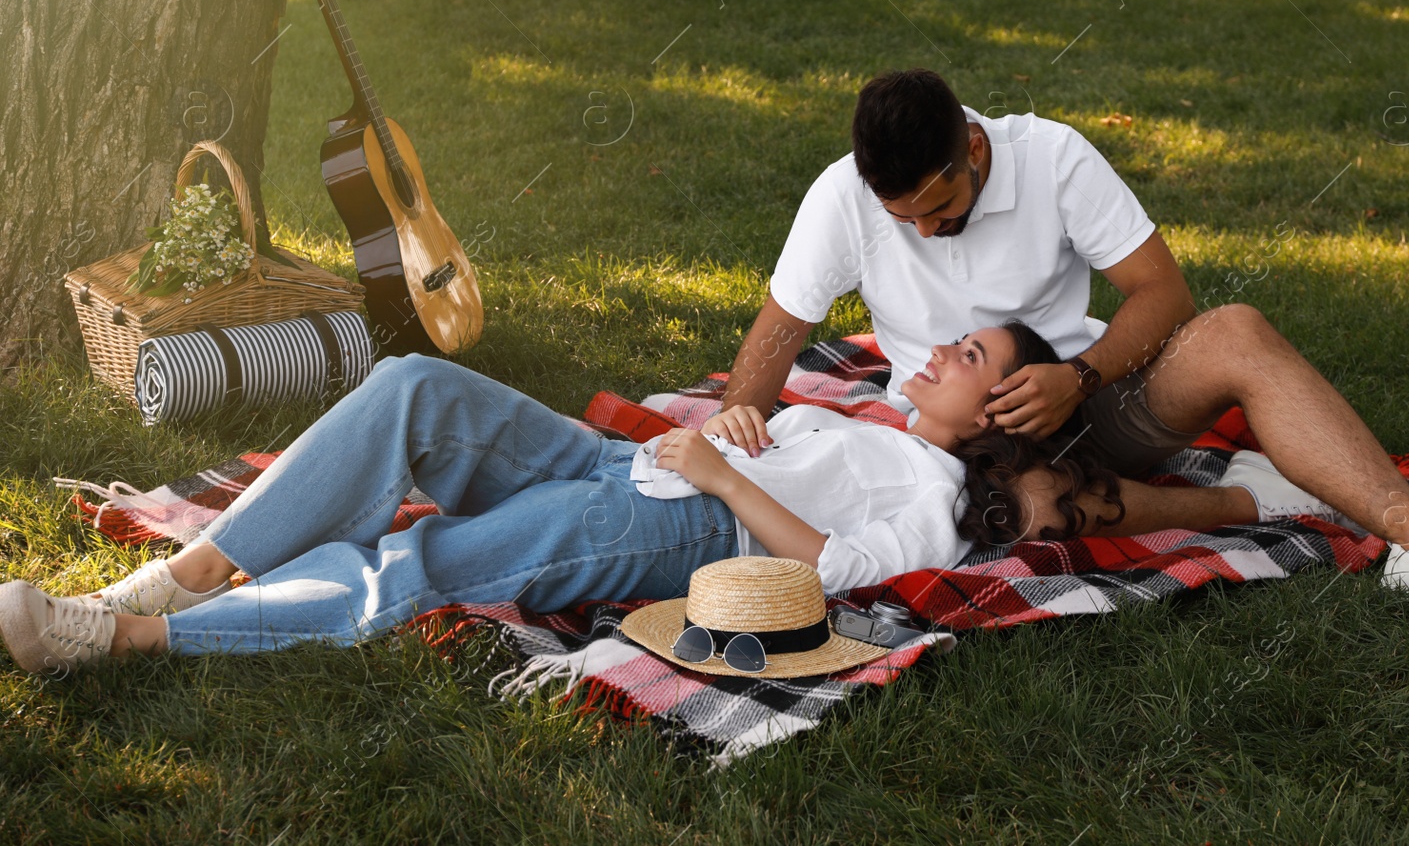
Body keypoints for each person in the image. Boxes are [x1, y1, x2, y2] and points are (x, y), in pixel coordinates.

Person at [718, 68, 1409, 623]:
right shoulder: (844, 195)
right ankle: (1251, 500)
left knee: (1234, 328)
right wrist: (735, 438)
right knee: (1023, 512)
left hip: (1095, 400)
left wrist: (1078, 375)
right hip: (967, 448)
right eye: (904, 220)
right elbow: (777, 335)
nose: (926, 232)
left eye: (939, 209)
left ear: (973, 149)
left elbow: (1165, 293)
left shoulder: (1051, 156)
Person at [0, 322, 1046, 676]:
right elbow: (765, 445)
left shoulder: (939, 493)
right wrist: (737, 427)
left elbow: (828, 570)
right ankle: (184, 573)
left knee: (427, 558)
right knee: (414, 385)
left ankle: (124, 637)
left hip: (678, 522)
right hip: (623, 464)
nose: (947, 346)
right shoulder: (861, 424)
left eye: (972, 354)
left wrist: (724, 476)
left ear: (998, 406)